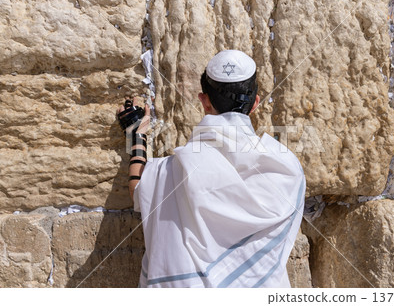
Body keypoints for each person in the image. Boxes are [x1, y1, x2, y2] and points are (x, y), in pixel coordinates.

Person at [116, 50, 306, 287]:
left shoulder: (176, 168)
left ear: (204, 101)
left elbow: (138, 190)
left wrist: (137, 137)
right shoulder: (284, 167)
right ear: (255, 103)